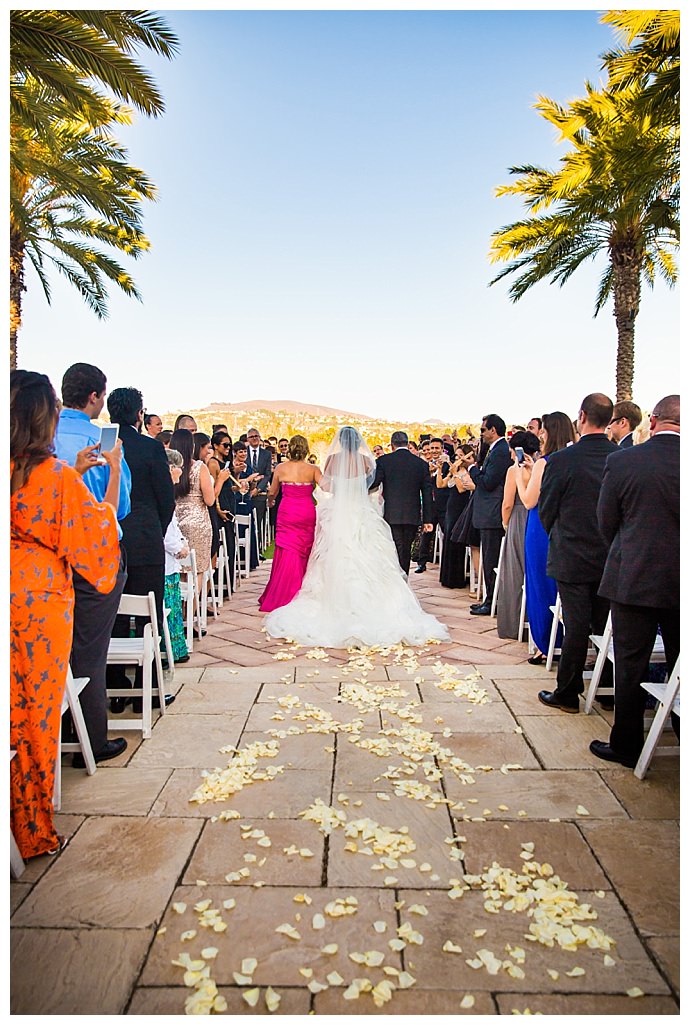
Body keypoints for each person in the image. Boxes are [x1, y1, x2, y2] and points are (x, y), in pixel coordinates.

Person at [10, 370, 120, 859]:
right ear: (44, 418)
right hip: (36, 606)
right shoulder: (53, 476)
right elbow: (100, 543)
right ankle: (27, 827)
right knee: (32, 712)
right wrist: (109, 472)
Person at [264, 427, 449, 647]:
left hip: (338, 511)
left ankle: (333, 601)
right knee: (367, 553)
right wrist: (356, 490)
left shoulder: (332, 459)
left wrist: (341, 490)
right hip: (361, 511)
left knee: (335, 553)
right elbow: (371, 486)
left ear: (340, 442)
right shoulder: (367, 461)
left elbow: (329, 486)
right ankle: (377, 605)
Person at [590, 395, 680, 767]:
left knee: (630, 663)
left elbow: (605, 520)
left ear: (654, 421)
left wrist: (628, 548)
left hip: (633, 576)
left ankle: (627, 745)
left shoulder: (624, 460)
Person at [54, 362, 131, 764]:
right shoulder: (101, 442)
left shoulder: (38, 440)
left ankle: (53, 730)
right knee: (89, 648)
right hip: (94, 557)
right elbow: (122, 506)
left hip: (48, 557)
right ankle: (91, 740)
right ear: (94, 397)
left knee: (57, 645)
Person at [537, 393, 617, 713]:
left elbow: (547, 509)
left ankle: (568, 692)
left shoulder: (560, 461)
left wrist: (559, 534)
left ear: (581, 416)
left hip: (571, 552)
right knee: (606, 625)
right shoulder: (622, 456)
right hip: (610, 555)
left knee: (576, 625)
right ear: (609, 419)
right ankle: (608, 691)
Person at [106, 387, 176, 709]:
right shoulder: (150, 447)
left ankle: (117, 689)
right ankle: (147, 690)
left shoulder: (104, 445)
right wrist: (156, 531)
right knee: (149, 614)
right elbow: (166, 499)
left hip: (111, 541)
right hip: (146, 539)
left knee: (115, 615)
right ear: (139, 414)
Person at [514, 413, 575, 661]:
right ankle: (564, 639)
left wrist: (520, 476)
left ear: (549, 432)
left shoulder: (545, 462)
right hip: (564, 528)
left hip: (540, 527)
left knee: (540, 583)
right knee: (560, 587)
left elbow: (529, 500)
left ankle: (544, 644)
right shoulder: (571, 460)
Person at [259, 435, 321, 612]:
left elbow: (272, 491)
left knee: (287, 549)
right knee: (304, 549)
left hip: (287, 512)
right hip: (306, 512)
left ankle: (284, 592)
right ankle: (302, 590)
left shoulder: (280, 468)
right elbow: (328, 487)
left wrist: (270, 501)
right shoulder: (313, 469)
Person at [370, 430, 434, 576]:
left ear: (392, 445)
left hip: (392, 513)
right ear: (407, 443)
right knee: (405, 548)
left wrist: (356, 485)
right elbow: (427, 493)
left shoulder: (384, 461)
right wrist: (428, 520)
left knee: (397, 547)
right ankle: (403, 577)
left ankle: (398, 579)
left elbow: (374, 483)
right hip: (412, 514)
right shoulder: (421, 464)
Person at [496, 430, 540, 639]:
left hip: (518, 519)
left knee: (514, 574)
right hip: (538, 520)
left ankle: (514, 625)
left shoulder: (513, 470)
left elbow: (507, 503)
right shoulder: (541, 466)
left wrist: (506, 524)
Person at [468, 414, 513, 616]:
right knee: (488, 557)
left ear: (493, 430)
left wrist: (471, 469)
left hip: (492, 513)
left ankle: (491, 601)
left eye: (483, 430)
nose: (482, 433)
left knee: (491, 559)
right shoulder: (495, 450)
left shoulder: (501, 451)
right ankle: (489, 598)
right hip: (488, 512)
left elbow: (488, 482)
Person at [171, 428, 215, 594]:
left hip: (175, 521)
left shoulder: (169, 468)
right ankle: (191, 613)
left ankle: (180, 613)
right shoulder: (199, 467)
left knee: (179, 569)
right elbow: (210, 500)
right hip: (198, 523)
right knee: (197, 569)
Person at [163, 448, 190, 665]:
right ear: (171, 469)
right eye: (180, 467)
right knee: (169, 607)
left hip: (173, 554)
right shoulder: (163, 494)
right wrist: (177, 547)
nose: (182, 472)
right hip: (167, 558)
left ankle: (176, 648)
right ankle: (169, 650)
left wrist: (182, 541)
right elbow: (164, 528)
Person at [438, 444, 476, 589]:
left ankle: (456, 578)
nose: (457, 458)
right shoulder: (454, 471)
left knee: (456, 541)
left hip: (461, 508)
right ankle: (446, 577)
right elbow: (441, 485)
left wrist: (455, 473)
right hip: (451, 507)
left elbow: (461, 489)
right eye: (456, 456)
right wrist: (441, 470)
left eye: (461, 456)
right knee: (448, 538)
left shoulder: (466, 473)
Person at [416, 438, 450, 573]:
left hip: (444, 504)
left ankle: (447, 566)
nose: (434, 451)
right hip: (430, 505)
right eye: (432, 448)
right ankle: (421, 562)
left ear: (442, 449)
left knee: (446, 533)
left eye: (437, 448)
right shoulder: (424, 466)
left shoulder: (447, 465)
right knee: (426, 534)